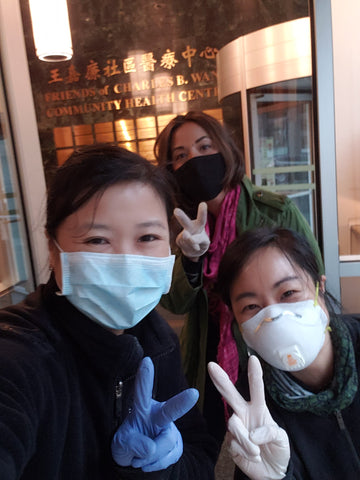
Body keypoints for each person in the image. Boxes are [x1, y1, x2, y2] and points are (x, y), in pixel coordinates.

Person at [0, 144, 218, 479]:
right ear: (53, 251)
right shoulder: (23, 354)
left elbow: (199, 460)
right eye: (97, 240)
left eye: (147, 236)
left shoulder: (158, 341)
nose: (125, 260)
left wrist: (156, 468)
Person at [154, 110, 324, 443]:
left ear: (225, 148)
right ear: (171, 169)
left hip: (271, 343)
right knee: (207, 435)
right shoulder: (177, 222)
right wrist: (190, 259)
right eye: (180, 156)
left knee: (278, 436)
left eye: (205, 147)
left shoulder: (273, 211)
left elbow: (313, 280)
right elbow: (175, 302)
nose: (195, 160)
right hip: (208, 347)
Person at [208, 226, 360, 479]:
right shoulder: (255, 405)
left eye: (288, 293)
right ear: (239, 326)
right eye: (251, 306)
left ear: (319, 288)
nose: (274, 316)